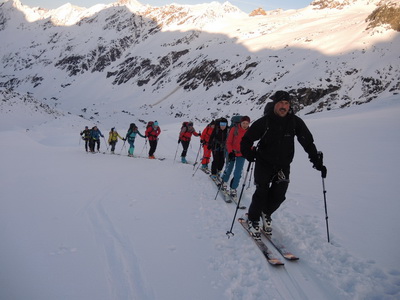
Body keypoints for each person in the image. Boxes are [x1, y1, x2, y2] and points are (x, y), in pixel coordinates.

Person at [241, 90, 327, 237]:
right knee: (261, 192)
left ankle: (265, 212)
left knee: (279, 195)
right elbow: (246, 140)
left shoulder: (295, 122)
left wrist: (316, 162)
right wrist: (249, 154)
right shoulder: (265, 121)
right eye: (280, 102)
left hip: (283, 165)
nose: (283, 106)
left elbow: (307, 142)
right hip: (264, 163)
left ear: (290, 105)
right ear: (274, 104)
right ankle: (253, 218)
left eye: (286, 103)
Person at [220, 116, 251, 199]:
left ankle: (233, 188)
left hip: (242, 155)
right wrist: (230, 152)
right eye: (243, 123)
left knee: (238, 173)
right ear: (240, 123)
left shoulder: (249, 131)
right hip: (232, 153)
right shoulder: (234, 129)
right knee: (229, 169)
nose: (245, 125)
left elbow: (249, 144)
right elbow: (229, 142)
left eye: (247, 123)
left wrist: (251, 151)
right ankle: (224, 182)